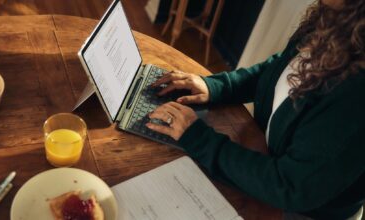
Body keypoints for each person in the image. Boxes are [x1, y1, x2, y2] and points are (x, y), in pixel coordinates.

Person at [146, 0, 365, 219]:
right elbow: (283, 68)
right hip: (264, 163)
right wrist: (218, 86)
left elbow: (288, 186)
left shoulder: (356, 94)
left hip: (296, 210)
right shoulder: (332, 17)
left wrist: (198, 139)